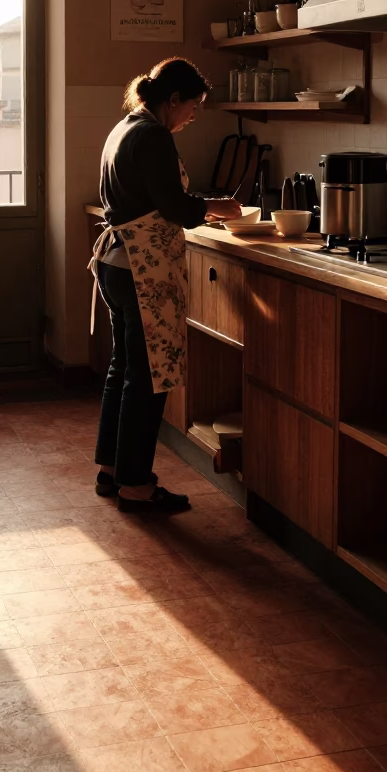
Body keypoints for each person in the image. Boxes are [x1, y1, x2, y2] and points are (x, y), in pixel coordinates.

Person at [91, 57, 241, 513]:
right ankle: (136, 485)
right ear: (172, 100)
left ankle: (112, 470)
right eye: (192, 106)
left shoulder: (125, 127)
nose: (193, 116)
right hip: (141, 268)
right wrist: (218, 207)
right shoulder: (152, 134)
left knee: (126, 369)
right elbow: (173, 206)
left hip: (118, 263)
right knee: (149, 377)